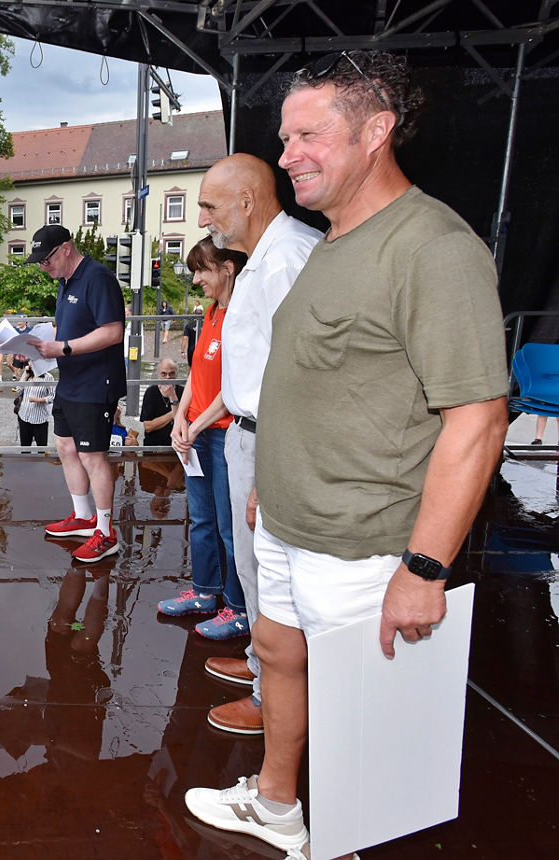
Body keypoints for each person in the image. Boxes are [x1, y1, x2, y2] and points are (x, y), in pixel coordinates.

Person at [184, 51, 509, 858]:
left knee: (371, 735)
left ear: (377, 130)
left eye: (308, 134)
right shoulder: (332, 239)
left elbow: (478, 417)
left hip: (363, 544)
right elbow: (313, 383)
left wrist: (426, 569)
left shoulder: (433, 247)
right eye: (284, 134)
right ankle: (278, 805)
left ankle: (351, 839)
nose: (288, 152)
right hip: (293, 521)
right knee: (277, 656)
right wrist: (276, 487)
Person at [196, 152, 323, 735]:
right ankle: (257, 668)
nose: (202, 220)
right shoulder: (260, 261)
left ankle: (270, 697)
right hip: (245, 435)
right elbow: (253, 371)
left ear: (246, 202)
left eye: (208, 206)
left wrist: (270, 474)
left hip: (268, 442)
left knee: (271, 579)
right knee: (253, 571)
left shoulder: (287, 261)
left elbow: (299, 382)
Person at [158, 238, 247, 640]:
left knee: (230, 527)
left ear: (227, 267)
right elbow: (196, 372)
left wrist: (194, 426)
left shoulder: (243, 316)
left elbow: (235, 388)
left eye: (202, 270)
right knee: (203, 520)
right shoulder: (210, 313)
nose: (196, 279)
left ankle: (239, 606)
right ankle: (206, 592)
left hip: (223, 435)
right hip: (197, 433)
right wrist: (181, 417)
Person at [30, 224, 128, 563]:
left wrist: (65, 348)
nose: (44, 267)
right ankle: (83, 516)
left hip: (95, 381)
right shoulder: (65, 282)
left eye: (46, 260)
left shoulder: (97, 277)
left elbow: (113, 332)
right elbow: (67, 328)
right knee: (65, 445)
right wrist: (38, 347)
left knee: (92, 455)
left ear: (66, 248)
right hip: (71, 380)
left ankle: (105, 530)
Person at [139, 358, 184, 447]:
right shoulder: (151, 392)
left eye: (171, 373)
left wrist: (172, 396)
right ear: (158, 375)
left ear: (177, 374)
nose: (168, 377)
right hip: (153, 448)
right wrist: (175, 412)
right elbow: (148, 427)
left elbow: (183, 424)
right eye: (164, 374)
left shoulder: (183, 392)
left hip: (177, 447)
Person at [15, 361, 56, 448]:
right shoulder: (27, 374)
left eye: (33, 362)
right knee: (25, 448)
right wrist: (25, 376)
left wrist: (38, 400)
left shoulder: (48, 377)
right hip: (24, 416)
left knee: (41, 447)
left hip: (39, 419)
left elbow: (53, 396)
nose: (30, 364)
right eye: (30, 362)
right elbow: (18, 390)